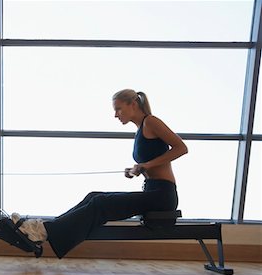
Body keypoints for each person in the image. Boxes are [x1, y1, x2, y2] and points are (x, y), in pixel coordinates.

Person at [11, 89, 188, 259]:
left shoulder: (151, 122)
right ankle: (44, 229)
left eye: (119, 109)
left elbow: (181, 148)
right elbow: (153, 163)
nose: (116, 114)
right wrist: (137, 169)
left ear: (133, 104)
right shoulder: (140, 130)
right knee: (93, 196)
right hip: (151, 191)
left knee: (100, 203)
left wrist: (145, 165)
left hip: (162, 196)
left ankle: (42, 230)